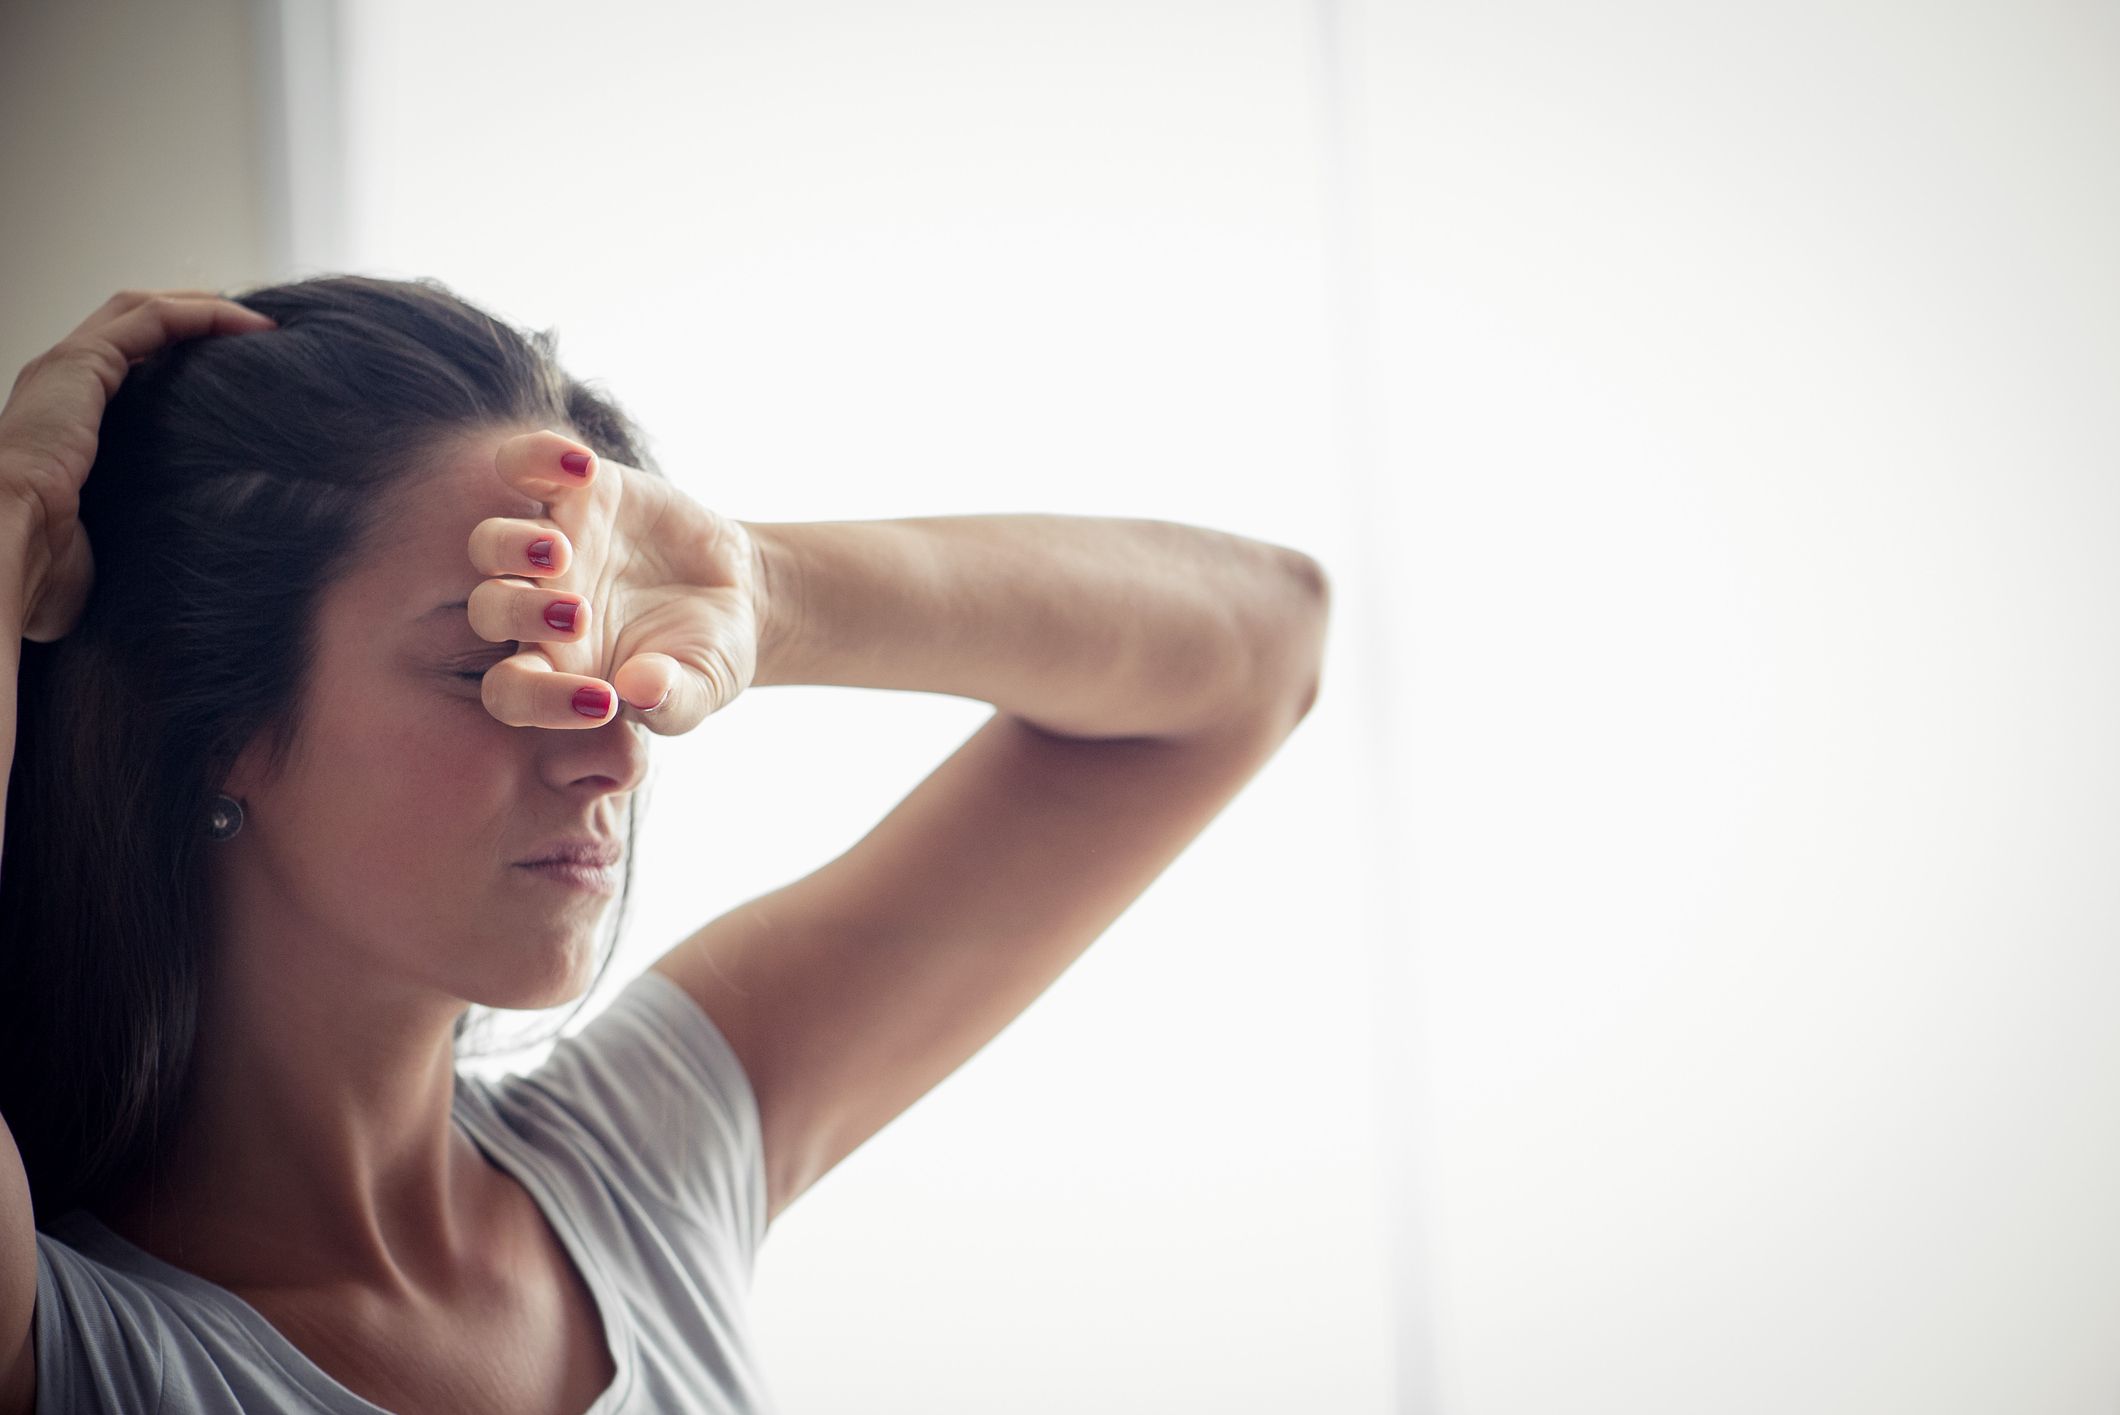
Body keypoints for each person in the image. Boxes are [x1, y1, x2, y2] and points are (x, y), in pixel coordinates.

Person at [0, 278, 1329, 1414]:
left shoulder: (640, 1164)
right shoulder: (71, 1348)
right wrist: (8, 518)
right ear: (213, 718)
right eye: (494, 667)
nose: (616, 746)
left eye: (603, 660)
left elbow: (1265, 643)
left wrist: (762, 591)